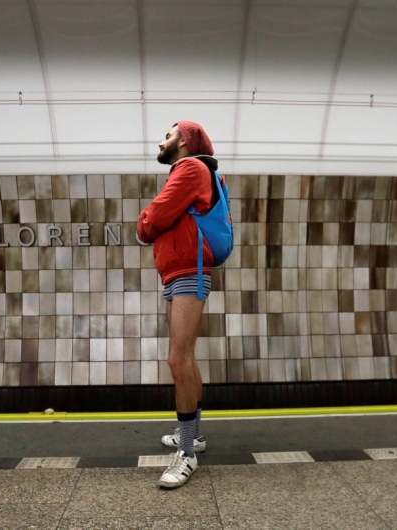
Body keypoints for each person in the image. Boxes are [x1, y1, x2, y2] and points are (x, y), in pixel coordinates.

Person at [136, 121, 219, 488]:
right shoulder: (191, 169)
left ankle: (186, 453)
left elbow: (154, 218)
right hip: (177, 272)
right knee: (185, 357)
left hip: (188, 270)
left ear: (184, 141)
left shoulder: (189, 167)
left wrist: (144, 224)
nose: (161, 141)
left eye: (168, 136)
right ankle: (195, 435)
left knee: (178, 359)